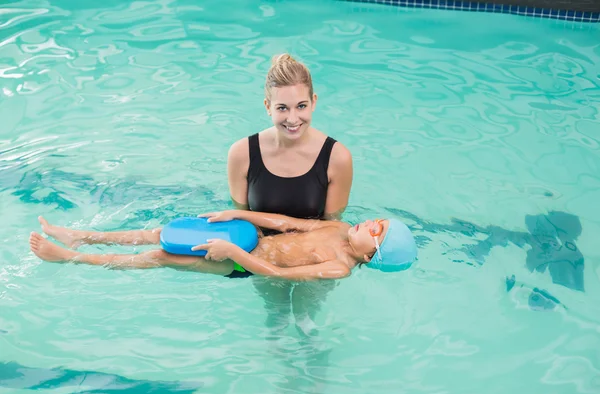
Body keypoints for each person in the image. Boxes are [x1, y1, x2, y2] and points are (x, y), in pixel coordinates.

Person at [226, 53, 354, 337]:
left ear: (315, 102)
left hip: (315, 258)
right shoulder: (241, 154)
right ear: (267, 107)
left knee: (307, 324)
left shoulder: (337, 158)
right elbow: (241, 219)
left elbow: (332, 228)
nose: (293, 119)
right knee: (276, 320)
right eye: (282, 108)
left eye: (301, 106)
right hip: (264, 252)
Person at [28, 210, 416, 280]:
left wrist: (235, 255)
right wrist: (241, 215)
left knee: (162, 256)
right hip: (252, 240)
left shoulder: (337, 267)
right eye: (377, 220)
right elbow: (286, 224)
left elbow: (279, 273)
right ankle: (82, 235)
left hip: (239, 264)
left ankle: (71, 258)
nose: (370, 223)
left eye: (377, 231)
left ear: (371, 255)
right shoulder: (340, 226)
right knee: (160, 233)